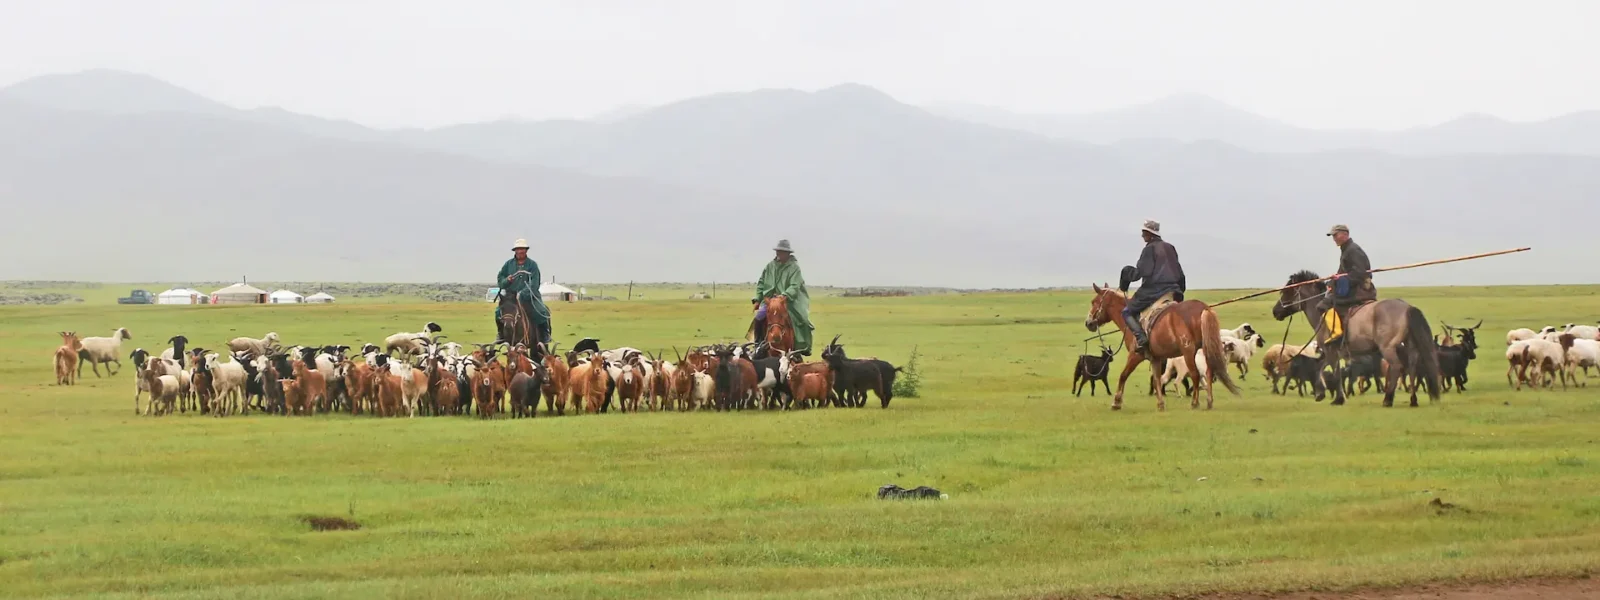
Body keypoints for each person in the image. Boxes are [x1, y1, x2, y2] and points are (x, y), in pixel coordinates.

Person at [1118, 220, 1186, 356]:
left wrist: (1126, 273)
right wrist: (1179, 292)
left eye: (1144, 233)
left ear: (1149, 234)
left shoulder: (1149, 249)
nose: (1142, 236)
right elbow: (1179, 273)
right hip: (1173, 291)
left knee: (1126, 312)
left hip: (1154, 291)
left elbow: (1141, 273)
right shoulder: (1170, 247)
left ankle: (1141, 339)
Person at [751, 239, 816, 355]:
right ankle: (758, 344)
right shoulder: (769, 266)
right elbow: (761, 282)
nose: (779, 254)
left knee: (803, 320)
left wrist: (784, 296)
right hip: (769, 300)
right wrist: (757, 299)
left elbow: (795, 286)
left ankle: (799, 348)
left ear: (788, 253)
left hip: (789, 301)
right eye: (778, 251)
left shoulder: (794, 268)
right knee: (759, 317)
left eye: (782, 252)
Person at [1317, 224, 1375, 350]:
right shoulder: (1346, 250)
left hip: (1360, 290)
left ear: (1345, 234)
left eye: (1336, 235)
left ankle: (1336, 332)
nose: (1334, 238)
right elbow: (1342, 272)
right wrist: (1331, 283)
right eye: (1333, 236)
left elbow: (1360, 273)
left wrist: (1343, 279)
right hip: (1355, 287)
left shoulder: (1353, 250)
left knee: (1323, 305)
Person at [493, 238, 552, 346]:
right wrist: (507, 280)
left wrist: (523, 294)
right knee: (498, 312)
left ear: (526, 250)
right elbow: (500, 279)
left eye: (522, 249)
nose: (520, 251)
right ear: (515, 250)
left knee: (542, 311)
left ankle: (545, 335)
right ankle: (501, 334)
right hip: (510, 297)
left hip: (529, 296)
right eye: (518, 249)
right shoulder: (508, 264)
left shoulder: (532, 265)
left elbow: (535, 284)